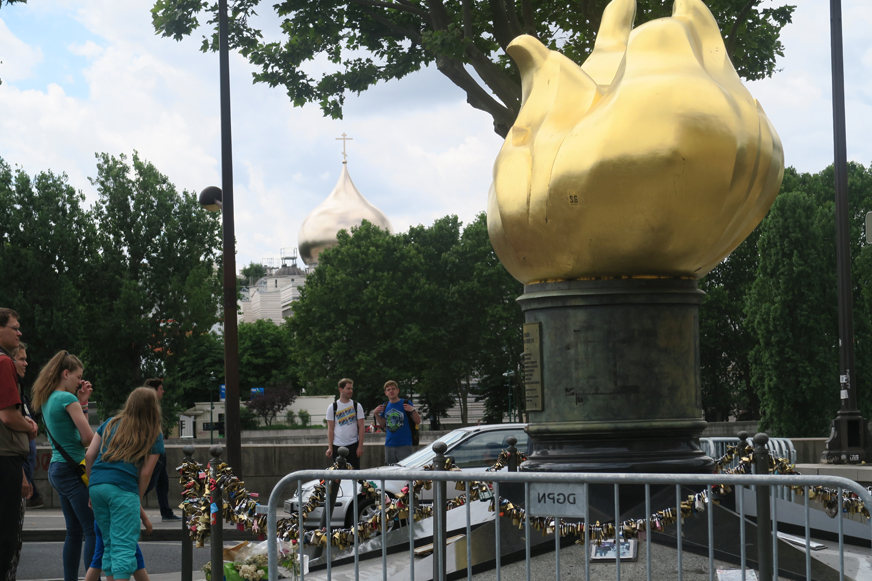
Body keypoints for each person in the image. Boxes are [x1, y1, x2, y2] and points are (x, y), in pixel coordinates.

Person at [85, 387, 163, 581]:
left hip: (96, 486)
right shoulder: (153, 432)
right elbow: (145, 472)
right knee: (125, 548)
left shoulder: (110, 423)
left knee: (110, 544)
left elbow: (89, 455)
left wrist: (91, 486)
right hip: (122, 489)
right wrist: (136, 497)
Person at [32, 351, 95, 581]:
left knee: (75, 531)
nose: (81, 381)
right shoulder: (67, 399)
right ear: (65, 373)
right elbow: (88, 439)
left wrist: (84, 402)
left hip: (57, 469)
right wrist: (80, 403)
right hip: (72, 471)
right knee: (92, 530)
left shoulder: (48, 398)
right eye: (78, 376)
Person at [0, 308, 38, 580]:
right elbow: (9, 416)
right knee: (7, 537)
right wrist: (30, 426)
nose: (19, 332)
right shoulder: (3, 363)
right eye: (14, 327)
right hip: (6, 459)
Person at [142, 378, 180, 521]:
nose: (163, 391)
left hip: (158, 450)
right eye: (160, 388)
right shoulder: (149, 408)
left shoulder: (150, 406)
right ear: (154, 391)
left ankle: (166, 511)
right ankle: (128, 501)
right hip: (154, 451)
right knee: (150, 482)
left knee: (163, 482)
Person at [12, 342, 44, 509]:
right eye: (21, 359)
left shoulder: (19, 392)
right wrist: (29, 426)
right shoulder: (11, 392)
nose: (26, 363)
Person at [374, 380, 421, 465]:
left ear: (397, 390)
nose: (391, 391)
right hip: (389, 444)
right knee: (391, 472)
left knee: (405, 471)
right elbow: (383, 424)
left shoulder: (405, 403)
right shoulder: (385, 405)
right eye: (388, 390)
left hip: (404, 444)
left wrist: (413, 410)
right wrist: (376, 414)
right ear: (386, 393)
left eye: (393, 389)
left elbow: (418, 421)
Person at [325, 378, 365, 469]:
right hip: (337, 446)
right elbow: (330, 429)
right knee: (338, 475)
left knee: (354, 474)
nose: (350, 391)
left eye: (351, 389)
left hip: (353, 445)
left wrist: (360, 447)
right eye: (348, 388)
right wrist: (330, 447)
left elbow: (361, 427)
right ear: (341, 389)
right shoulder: (333, 407)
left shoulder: (356, 406)